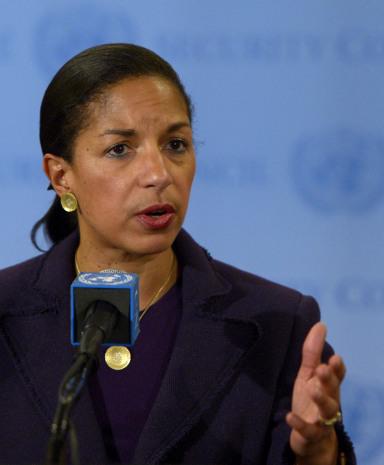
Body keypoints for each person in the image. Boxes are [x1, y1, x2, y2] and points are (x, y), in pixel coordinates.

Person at [0, 43, 355, 464]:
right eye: (120, 149)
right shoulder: (7, 312)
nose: (158, 174)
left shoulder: (276, 326)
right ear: (61, 176)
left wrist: (318, 452)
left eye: (175, 144)